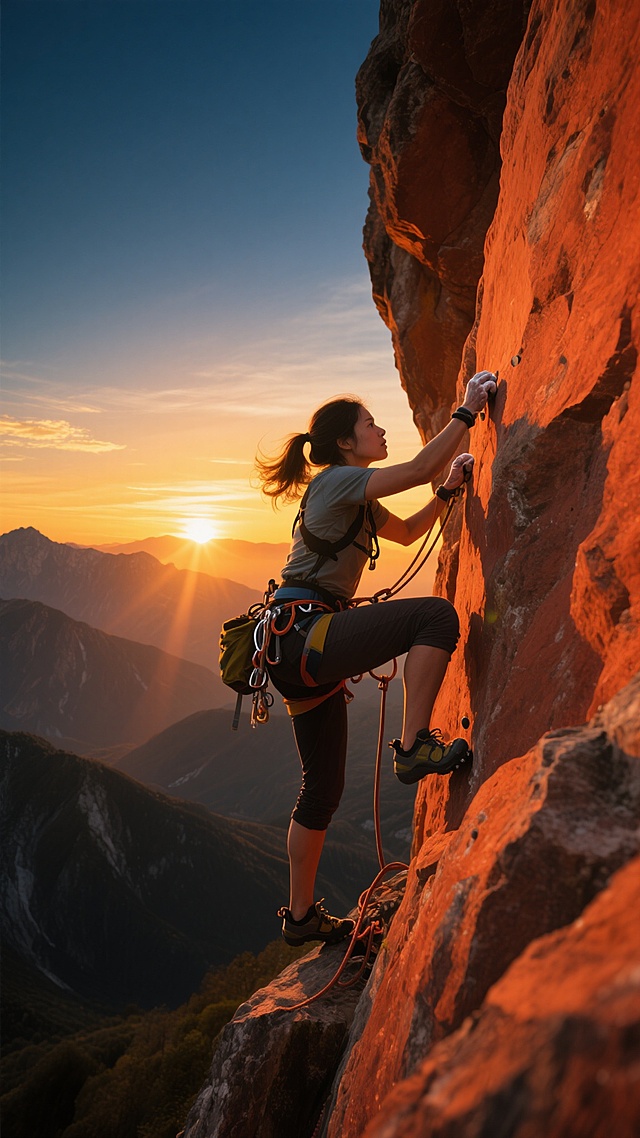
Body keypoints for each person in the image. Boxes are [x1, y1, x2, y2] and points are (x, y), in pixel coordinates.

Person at [255, 371, 496, 947]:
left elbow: (410, 532)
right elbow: (414, 470)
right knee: (435, 617)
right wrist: (465, 412)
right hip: (309, 633)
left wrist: (447, 492)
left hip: (295, 644)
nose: (380, 429)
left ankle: (301, 917)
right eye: (369, 424)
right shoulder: (338, 480)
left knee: (322, 787)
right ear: (345, 442)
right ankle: (413, 749)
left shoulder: (352, 496)